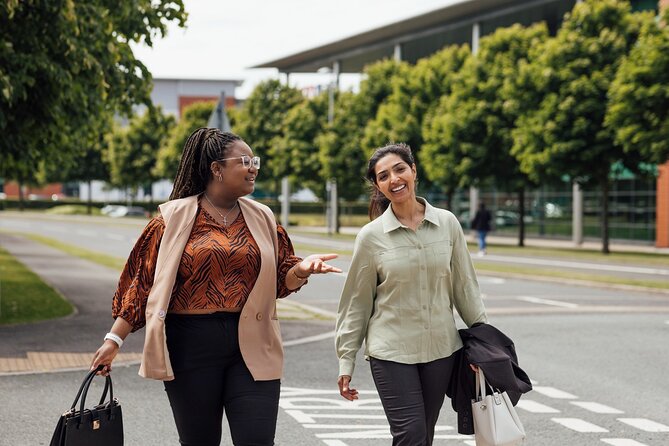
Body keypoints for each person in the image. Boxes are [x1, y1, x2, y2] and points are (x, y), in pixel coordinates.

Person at [90, 128, 341, 446]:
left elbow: (280, 280)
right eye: (245, 160)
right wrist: (114, 340)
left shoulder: (262, 217)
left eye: (255, 160)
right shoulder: (172, 219)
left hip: (252, 342)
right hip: (191, 347)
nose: (254, 167)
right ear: (216, 169)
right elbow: (142, 284)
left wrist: (302, 269)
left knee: (257, 440)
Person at [334, 143, 487, 446]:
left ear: (414, 170)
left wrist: (484, 343)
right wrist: (346, 360)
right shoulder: (370, 237)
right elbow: (356, 303)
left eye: (399, 169)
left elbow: (465, 287)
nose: (394, 179)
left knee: (424, 435)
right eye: (383, 176)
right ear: (378, 185)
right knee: (411, 434)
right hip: (391, 351)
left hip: (440, 350)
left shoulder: (447, 223)